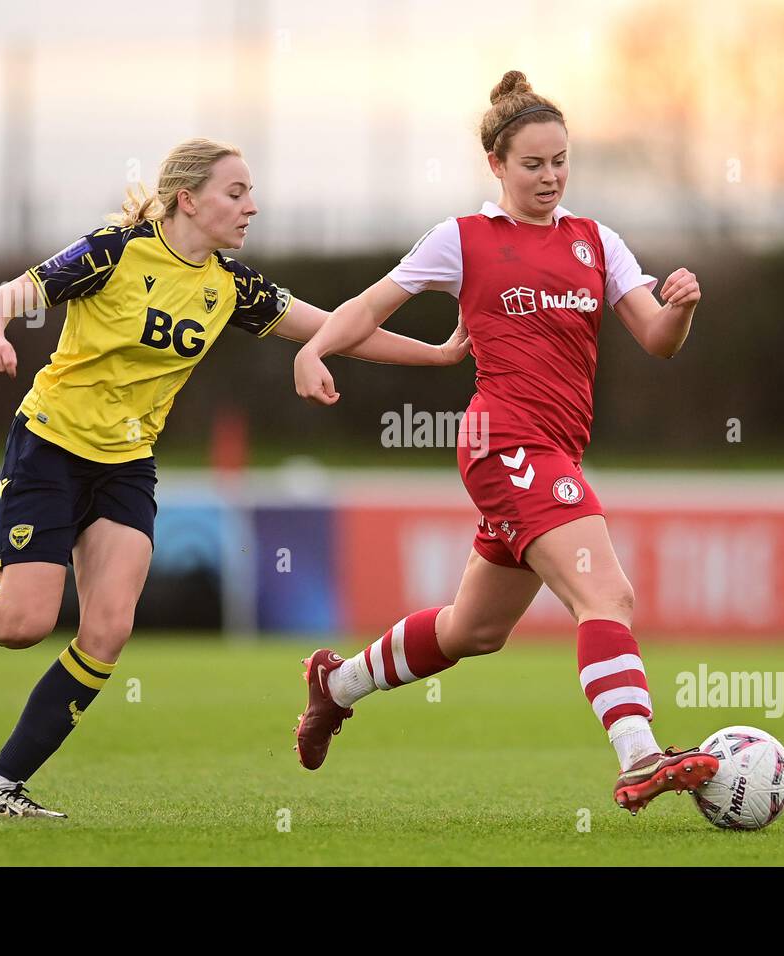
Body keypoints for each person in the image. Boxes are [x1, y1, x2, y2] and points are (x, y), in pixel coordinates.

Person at [0, 137, 470, 819]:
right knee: (21, 623)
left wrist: (438, 355)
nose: (253, 206)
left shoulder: (233, 285)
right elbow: (7, 295)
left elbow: (337, 329)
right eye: (236, 193)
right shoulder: (114, 250)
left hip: (127, 465)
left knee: (106, 631)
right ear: (189, 199)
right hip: (49, 448)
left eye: (251, 192)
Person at [292, 72, 713, 814]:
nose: (550, 177)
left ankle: (337, 684)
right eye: (532, 164)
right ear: (496, 164)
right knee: (606, 592)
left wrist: (678, 310)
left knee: (473, 630)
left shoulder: (596, 241)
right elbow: (370, 304)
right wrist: (313, 350)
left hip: (554, 451)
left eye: (560, 162)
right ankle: (639, 756)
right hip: (505, 443)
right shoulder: (464, 238)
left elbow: (656, 339)